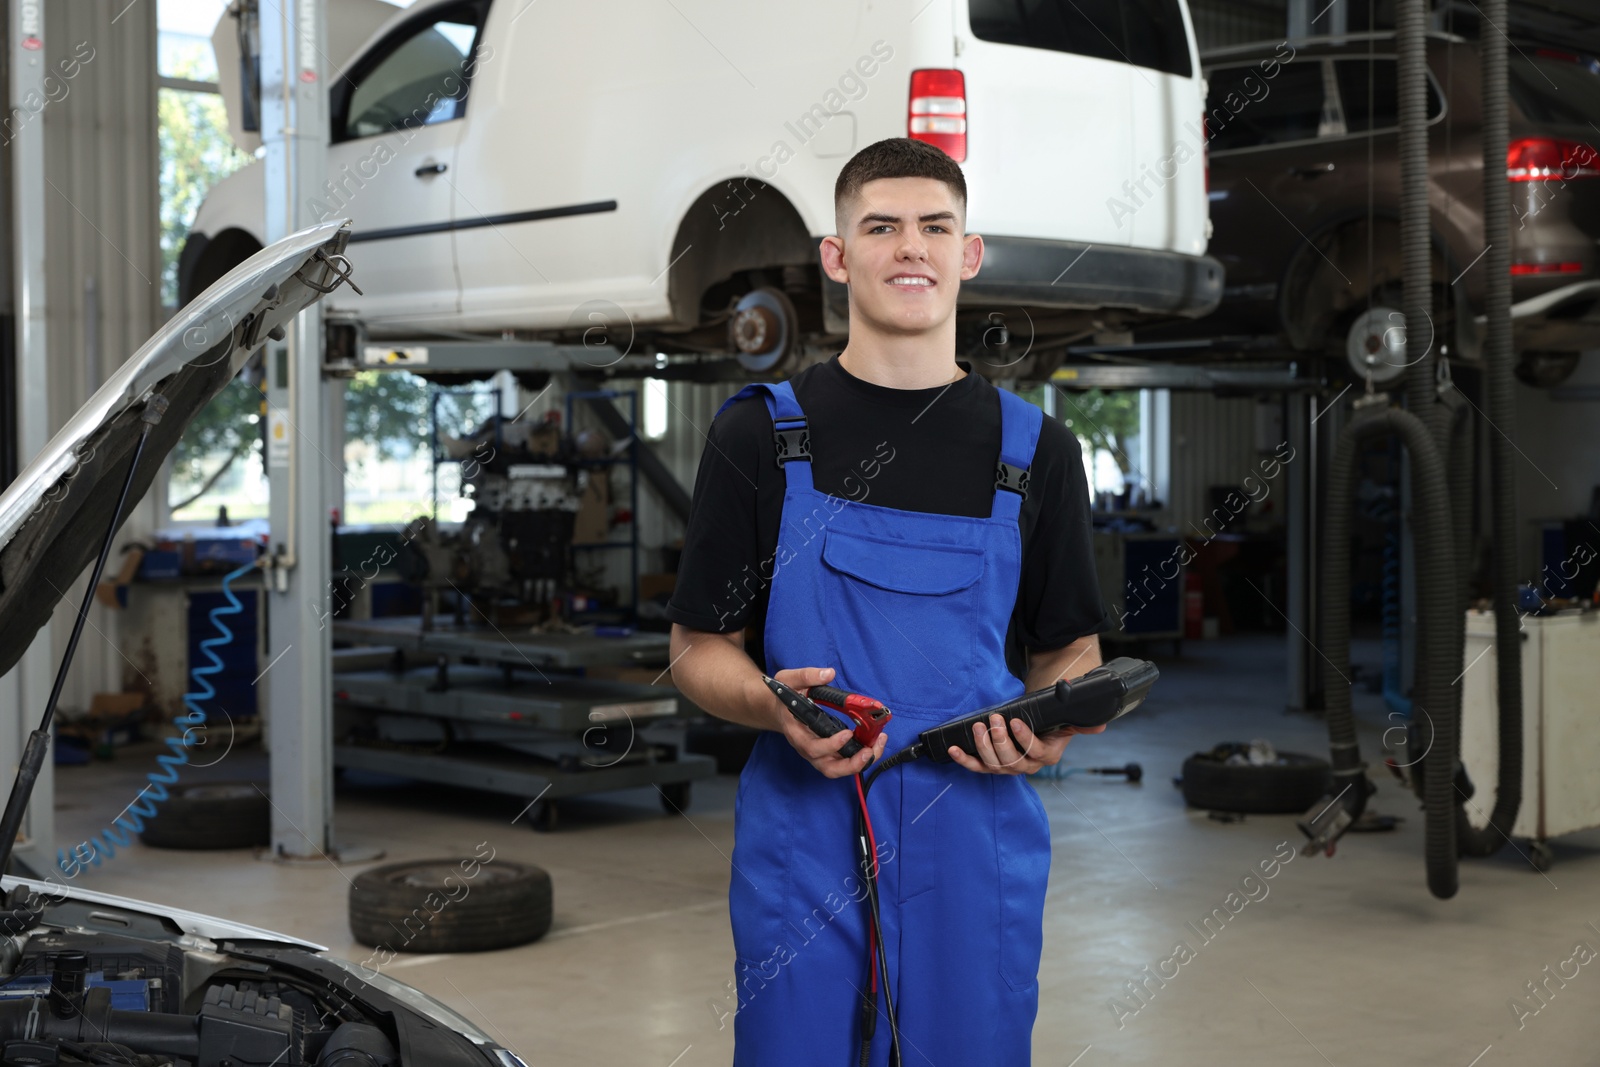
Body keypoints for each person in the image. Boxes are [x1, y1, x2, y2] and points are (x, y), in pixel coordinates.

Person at [666, 137, 1110, 1067]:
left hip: (975, 831)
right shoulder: (759, 436)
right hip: (805, 833)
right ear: (838, 256)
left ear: (968, 252)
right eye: (882, 226)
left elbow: (1070, 652)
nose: (911, 247)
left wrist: (1052, 726)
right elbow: (697, 650)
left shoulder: (1034, 453)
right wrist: (772, 704)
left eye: (934, 227)